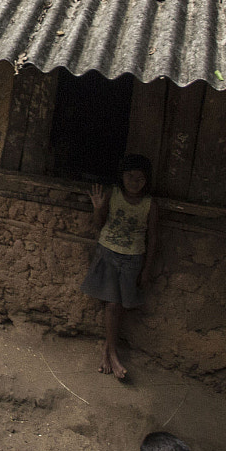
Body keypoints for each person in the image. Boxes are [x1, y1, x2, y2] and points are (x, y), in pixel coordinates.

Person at [80, 153, 158, 380]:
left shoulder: (150, 205)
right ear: (121, 176)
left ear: (147, 181)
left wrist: (147, 269)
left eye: (140, 178)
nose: (134, 182)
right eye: (130, 176)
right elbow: (99, 223)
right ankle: (113, 353)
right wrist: (97, 207)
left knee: (120, 306)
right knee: (113, 305)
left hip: (132, 259)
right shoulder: (113, 195)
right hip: (108, 254)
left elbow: (153, 239)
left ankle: (107, 350)